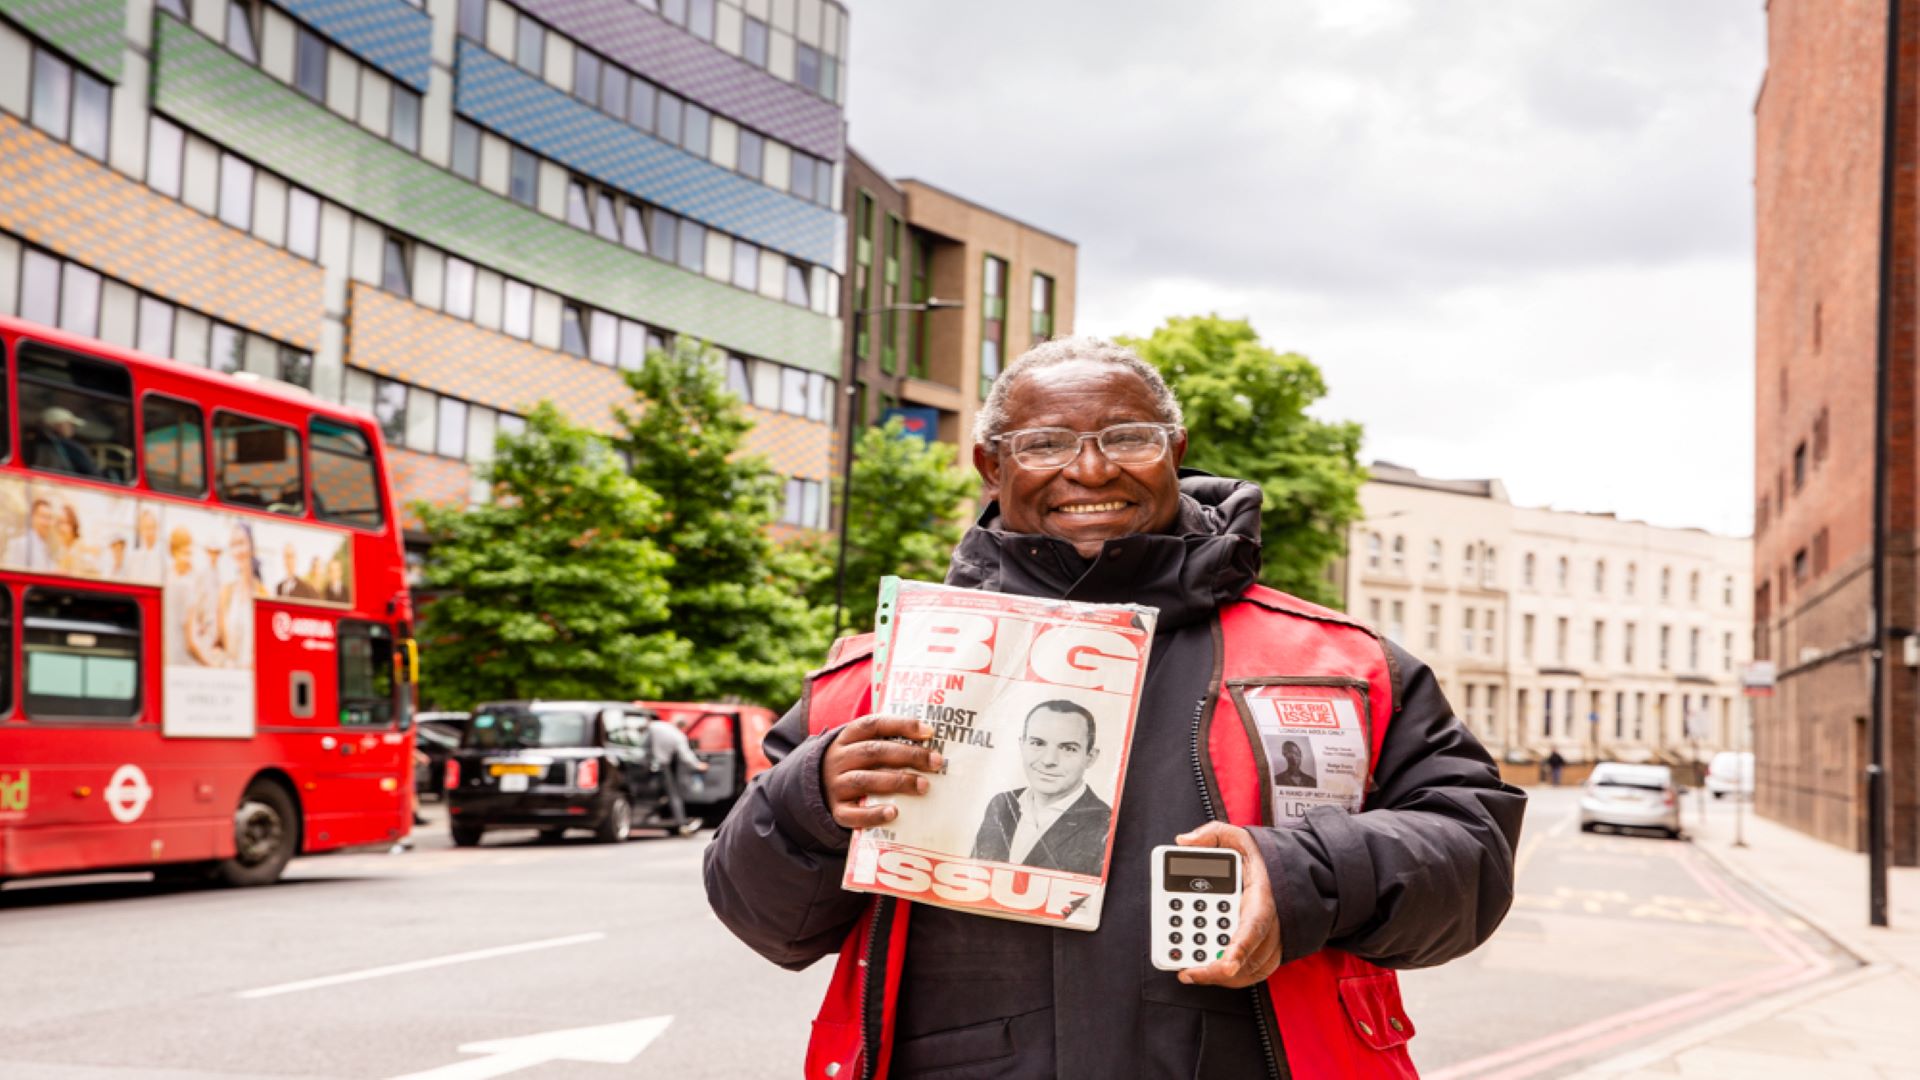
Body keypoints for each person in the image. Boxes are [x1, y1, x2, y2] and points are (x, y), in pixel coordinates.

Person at [705, 337, 1525, 1079]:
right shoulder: (872, 679)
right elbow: (760, 914)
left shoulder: (1341, 664)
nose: (1091, 471)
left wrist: (1303, 875)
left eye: (1127, 438)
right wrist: (807, 803)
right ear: (992, 466)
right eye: (1046, 445)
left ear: (1175, 450)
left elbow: (1471, 853)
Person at [970, 699, 1112, 876]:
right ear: (1022, 745)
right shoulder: (1002, 804)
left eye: (1068, 748)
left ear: (1090, 757)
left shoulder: (1107, 824)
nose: (1048, 760)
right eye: (1037, 743)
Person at [164, 527, 222, 666]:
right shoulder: (167, 578)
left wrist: (204, 649)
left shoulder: (198, 579)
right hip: (170, 656)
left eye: (189, 553)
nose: (187, 558)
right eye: (182, 553)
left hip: (193, 658)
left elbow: (209, 620)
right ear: (173, 552)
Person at [646, 714, 709, 837]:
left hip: (645, 764)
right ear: (683, 727)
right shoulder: (678, 736)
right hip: (662, 766)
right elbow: (686, 757)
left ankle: (650, 816)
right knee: (673, 795)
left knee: (649, 792)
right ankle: (681, 823)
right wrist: (699, 765)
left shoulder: (657, 726)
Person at [217, 523, 264, 668]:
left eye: (241, 543)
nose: (238, 551)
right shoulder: (226, 591)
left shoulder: (262, 592)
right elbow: (220, 639)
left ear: (251, 545)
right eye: (233, 545)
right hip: (232, 674)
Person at [31, 406, 99, 476]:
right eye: (69, 424)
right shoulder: (71, 447)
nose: (72, 428)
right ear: (55, 425)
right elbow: (94, 474)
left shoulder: (33, 442)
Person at [4, 498, 57, 569]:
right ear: (33, 518)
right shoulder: (19, 544)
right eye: (44, 517)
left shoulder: (45, 547)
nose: (47, 522)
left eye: (49, 518)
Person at [125, 508, 164, 582]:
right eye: (147, 528)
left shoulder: (163, 558)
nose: (150, 532)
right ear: (140, 530)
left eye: (153, 527)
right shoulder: (133, 557)